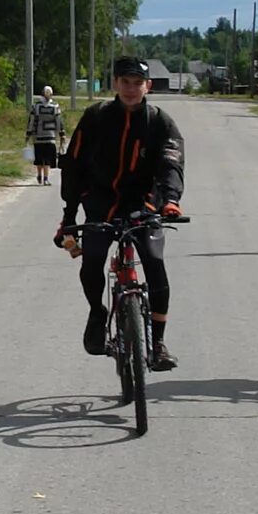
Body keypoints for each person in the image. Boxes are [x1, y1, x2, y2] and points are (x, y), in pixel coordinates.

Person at [55, 55, 187, 371]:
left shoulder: (159, 122)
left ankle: (157, 343)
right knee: (92, 261)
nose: (131, 89)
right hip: (101, 202)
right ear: (116, 84)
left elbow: (172, 165)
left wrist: (170, 200)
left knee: (154, 262)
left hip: (146, 205)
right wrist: (70, 215)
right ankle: (98, 312)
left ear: (148, 86)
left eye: (137, 83)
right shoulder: (96, 117)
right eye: (125, 82)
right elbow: (73, 166)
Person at [27, 83, 65, 184]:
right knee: (48, 158)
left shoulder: (36, 106)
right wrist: (61, 133)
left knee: (39, 158)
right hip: (50, 136)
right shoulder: (55, 106)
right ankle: (46, 178)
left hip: (38, 136)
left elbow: (31, 120)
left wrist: (28, 133)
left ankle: (39, 175)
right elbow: (58, 121)